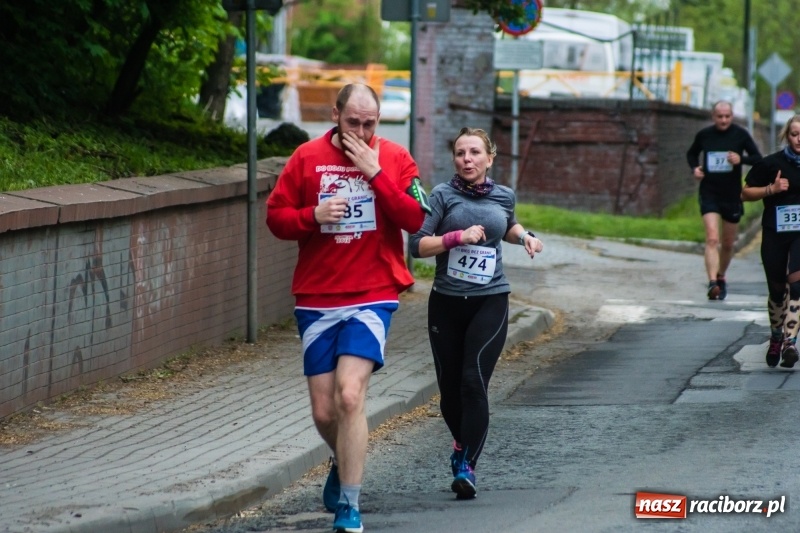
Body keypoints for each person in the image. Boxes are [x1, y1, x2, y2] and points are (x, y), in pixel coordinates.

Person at [265, 83, 428, 533]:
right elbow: (275, 216)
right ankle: (343, 458)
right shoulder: (306, 158)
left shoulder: (394, 158)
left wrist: (376, 175)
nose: (361, 130)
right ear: (335, 114)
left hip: (373, 293)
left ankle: (349, 507)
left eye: (370, 123)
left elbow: (416, 220)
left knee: (350, 395)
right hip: (317, 297)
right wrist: (311, 217)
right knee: (324, 412)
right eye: (353, 121)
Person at [408, 127, 543, 500]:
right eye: (460, 153)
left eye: (474, 153)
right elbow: (417, 245)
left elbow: (508, 224)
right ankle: (460, 445)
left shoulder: (503, 195)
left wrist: (525, 237)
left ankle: (467, 465)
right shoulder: (441, 196)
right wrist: (456, 238)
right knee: (450, 393)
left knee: (473, 380)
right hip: (446, 304)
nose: (466, 159)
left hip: (490, 299)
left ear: (489, 158)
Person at [686, 100, 763, 300]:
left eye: (727, 116)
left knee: (728, 243)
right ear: (713, 117)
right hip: (709, 192)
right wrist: (695, 168)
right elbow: (691, 154)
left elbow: (757, 157)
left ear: (732, 116)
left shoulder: (740, 135)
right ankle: (712, 282)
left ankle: (721, 276)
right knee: (712, 238)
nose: (723, 120)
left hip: (732, 194)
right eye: (719, 116)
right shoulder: (705, 135)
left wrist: (741, 159)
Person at [742, 114, 800, 369]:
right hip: (775, 232)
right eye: (795, 134)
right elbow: (744, 193)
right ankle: (776, 336)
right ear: (786, 136)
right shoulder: (770, 164)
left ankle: (790, 341)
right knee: (777, 290)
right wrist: (770, 190)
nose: (799, 139)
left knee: (797, 286)